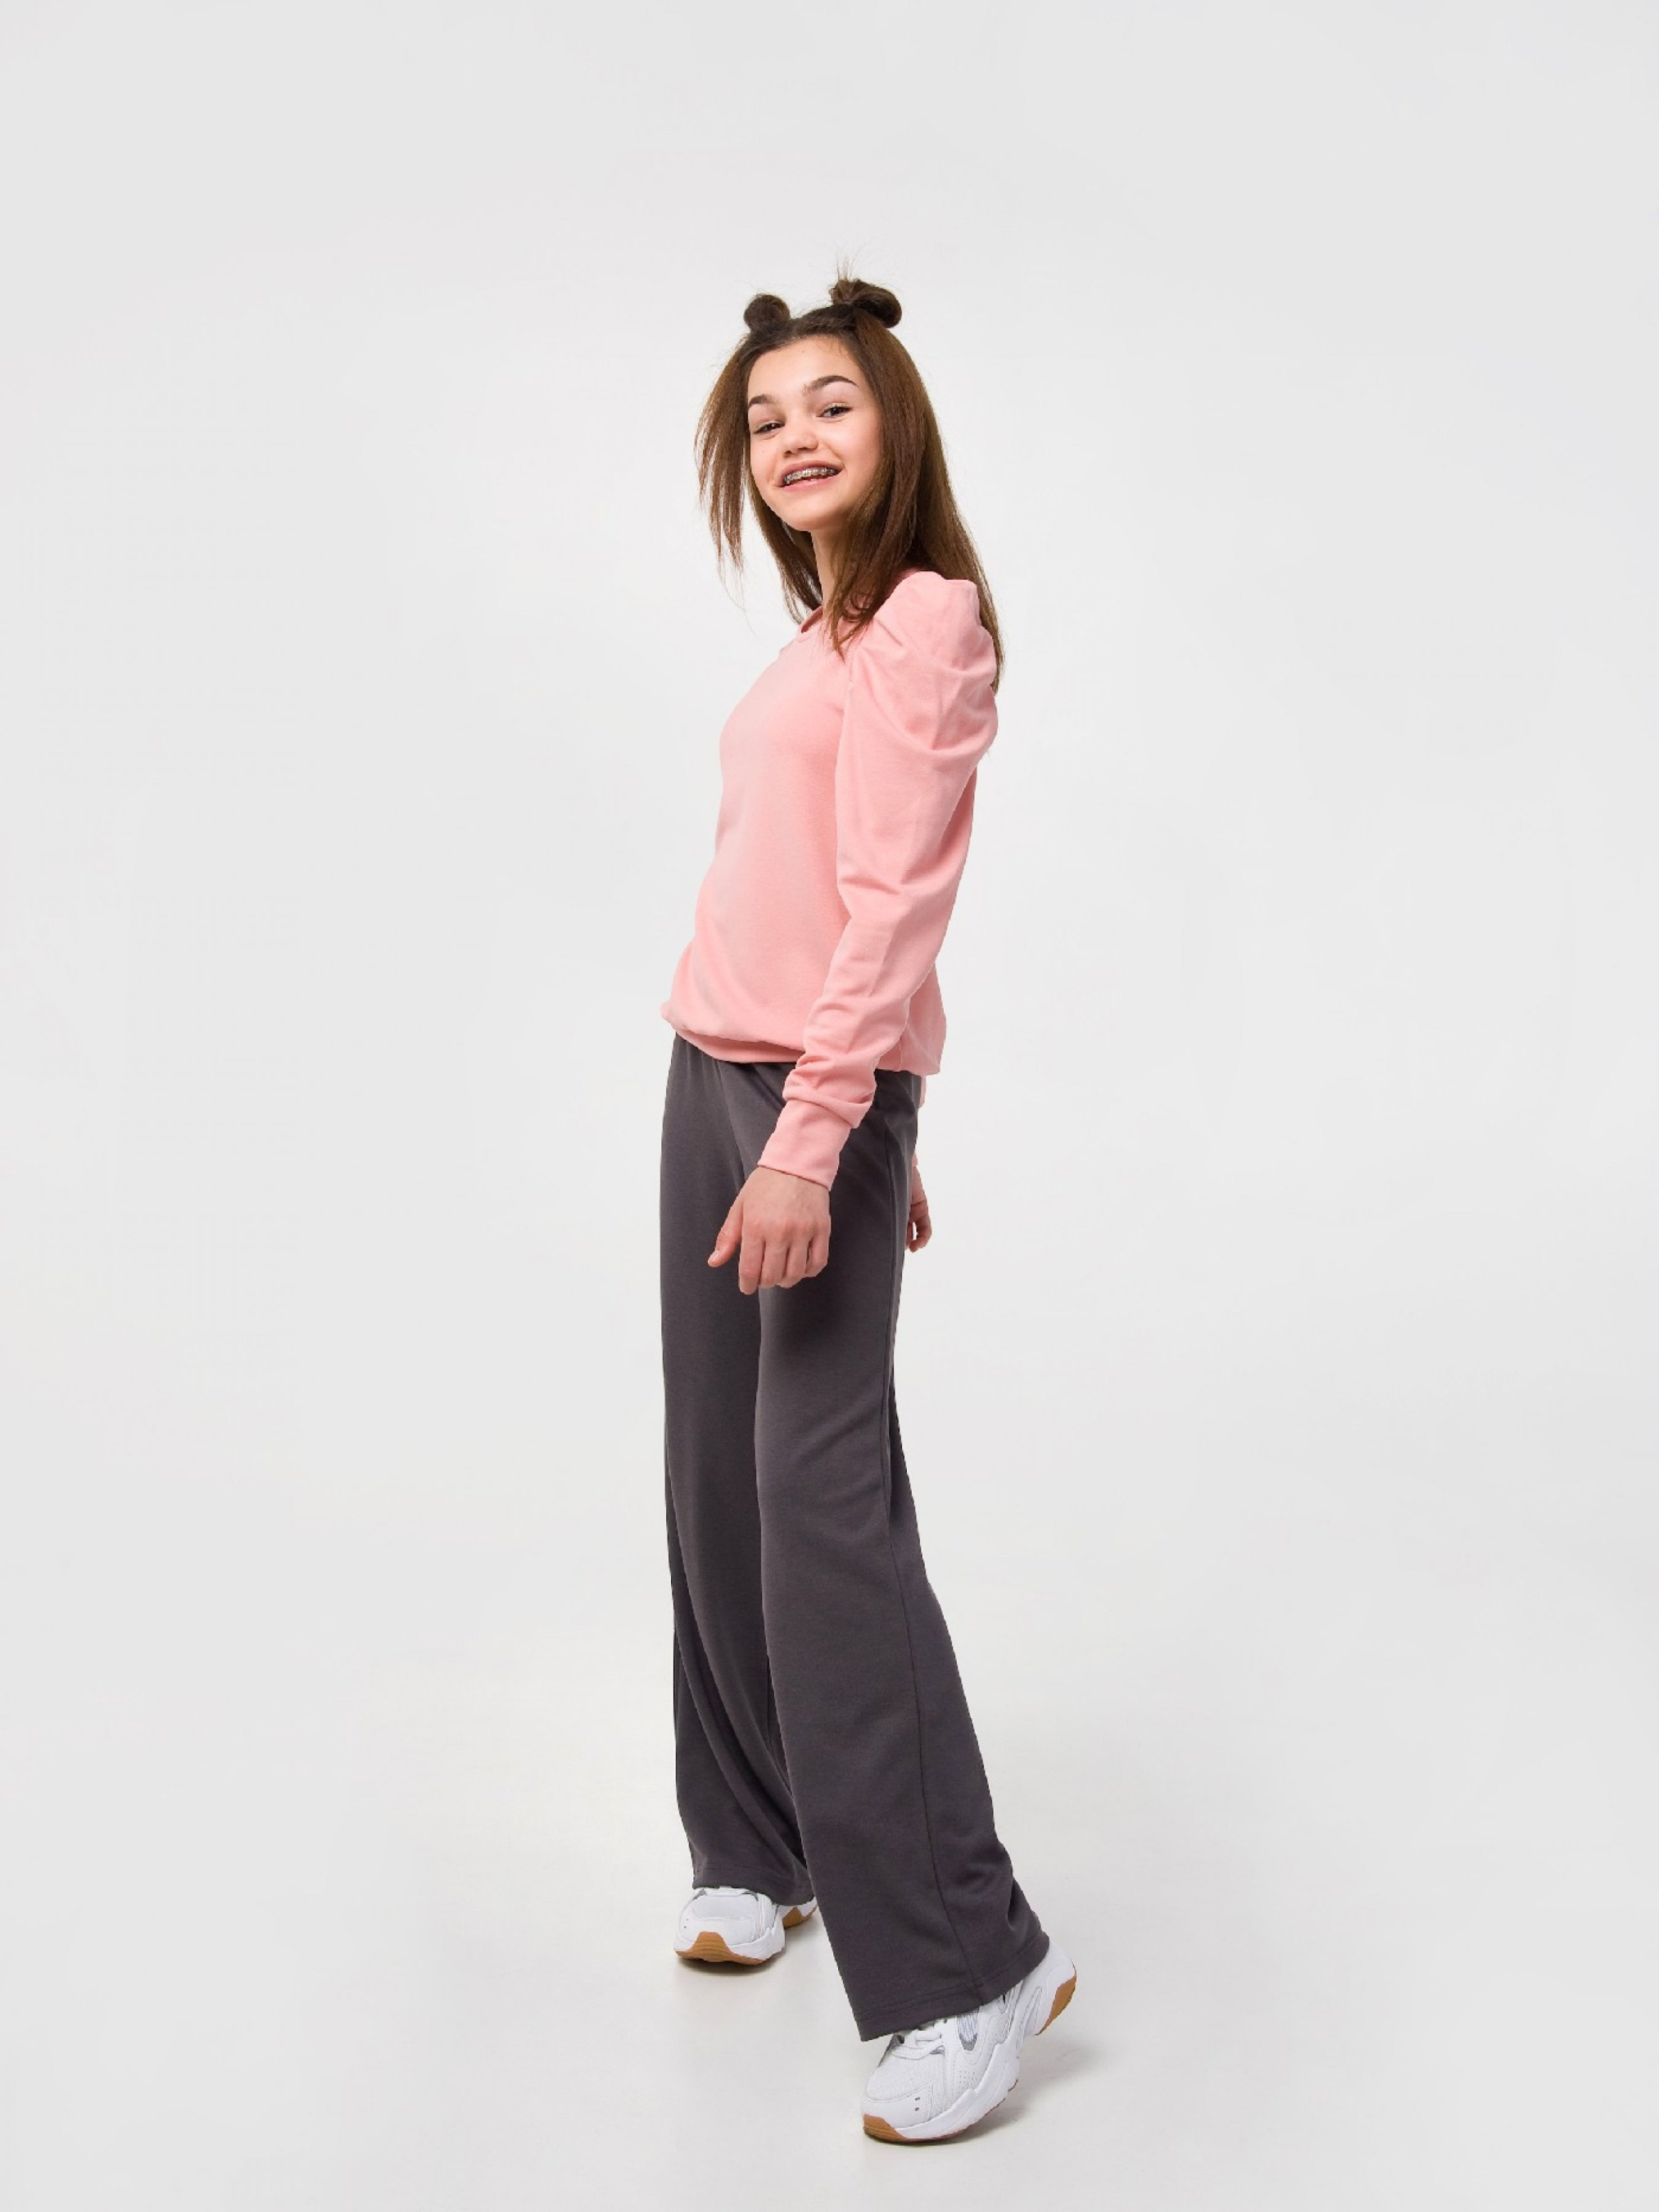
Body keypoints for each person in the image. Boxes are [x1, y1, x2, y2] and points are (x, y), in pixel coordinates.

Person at [657, 265, 1074, 2146]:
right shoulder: (816, 636)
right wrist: (849, 1106)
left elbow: (902, 901)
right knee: (717, 1487)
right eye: (763, 418)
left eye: (829, 402)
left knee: (821, 1513)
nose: (794, 436)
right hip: (713, 1077)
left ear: (894, 424)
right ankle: (759, 1843)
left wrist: (832, 1133)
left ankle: (968, 1962)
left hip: (797, 1109)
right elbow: (808, 889)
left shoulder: (924, 622)